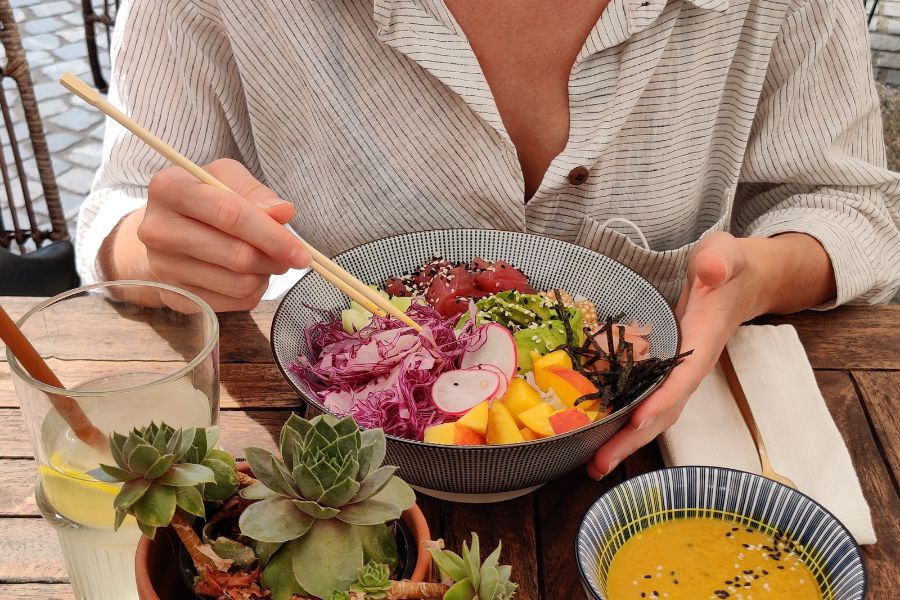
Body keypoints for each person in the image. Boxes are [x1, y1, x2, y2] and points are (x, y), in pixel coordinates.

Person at [77, 0, 900, 478]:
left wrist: (763, 274)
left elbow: (852, 205)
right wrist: (158, 253)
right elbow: (119, 206)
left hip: (672, 480)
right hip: (319, 476)